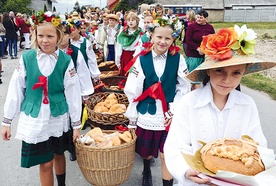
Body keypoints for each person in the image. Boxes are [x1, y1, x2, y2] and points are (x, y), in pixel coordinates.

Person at [164, 25, 276, 186]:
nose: (227, 80)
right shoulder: (189, 102)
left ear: (243, 73)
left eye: (236, 73)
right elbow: (175, 147)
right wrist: (185, 170)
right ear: (209, 71)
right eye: (220, 71)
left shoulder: (247, 104)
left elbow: (258, 147)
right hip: (196, 181)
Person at [1, 11, 82, 186]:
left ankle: (61, 183)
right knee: (45, 162)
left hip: (58, 117)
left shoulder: (66, 61)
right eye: (41, 35)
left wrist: (76, 125)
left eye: (50, 36)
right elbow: (16, 89)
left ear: (59, 36)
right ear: (35, 35)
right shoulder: (27, 59)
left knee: (59, 154)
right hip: (36, 118)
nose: (45, 40)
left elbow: (73, 94)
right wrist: (7, 122)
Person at [123, 17, 190, 186]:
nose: (162, 41)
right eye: (159, 37)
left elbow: (184, 86)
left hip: (168, 113)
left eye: (167, 38)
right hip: (147, 111)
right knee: (145, 151)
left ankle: (167, 182)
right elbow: (133, 88)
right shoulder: (142, 59)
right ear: (151, 36)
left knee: (165, 153)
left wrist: (174, 109)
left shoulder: (178, 58)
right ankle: (146, 169)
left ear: (173, 39)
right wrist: (132, 116)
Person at [59, 21, 94, 161]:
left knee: (75, 118)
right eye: (59, 35)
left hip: (75, 91)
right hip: (59, 91)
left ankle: (73, 147)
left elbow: (83, 72)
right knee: (63, 119)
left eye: (65, 34)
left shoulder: (75, 52)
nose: (62, 38)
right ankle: (64, 145)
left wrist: (85, 93)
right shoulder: (53, 52)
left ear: (69, 35)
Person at [185, 10, 215, 90]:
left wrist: (207, 50)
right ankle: (193, 96)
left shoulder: (210, 27)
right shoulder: (192, 27)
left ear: (206, 19)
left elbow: (213, 40)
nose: (198, 19)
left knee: (206, 78)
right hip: (194, 56)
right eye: (197, 17)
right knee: (195, 79)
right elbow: (188, 40)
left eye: (201, 18)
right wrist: (198, 49)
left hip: (206, 56)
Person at [69, 18, 101, 86]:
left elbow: (91, 59)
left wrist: (94, 75)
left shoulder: (85, 43)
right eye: (69, 30)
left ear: (79, 29)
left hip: (84, 73)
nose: (70, 32)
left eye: (73, 29)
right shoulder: (67, 43)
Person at [116, 12, 142, 76]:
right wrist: (118, 61)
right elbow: (119, 47)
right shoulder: (123, 33)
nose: (130, 22)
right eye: (129, 20)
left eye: (132, 20)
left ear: (137, 21)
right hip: (125, 56)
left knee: (134, 75)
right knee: (124, 75)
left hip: (135, 56)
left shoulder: (140, 33)